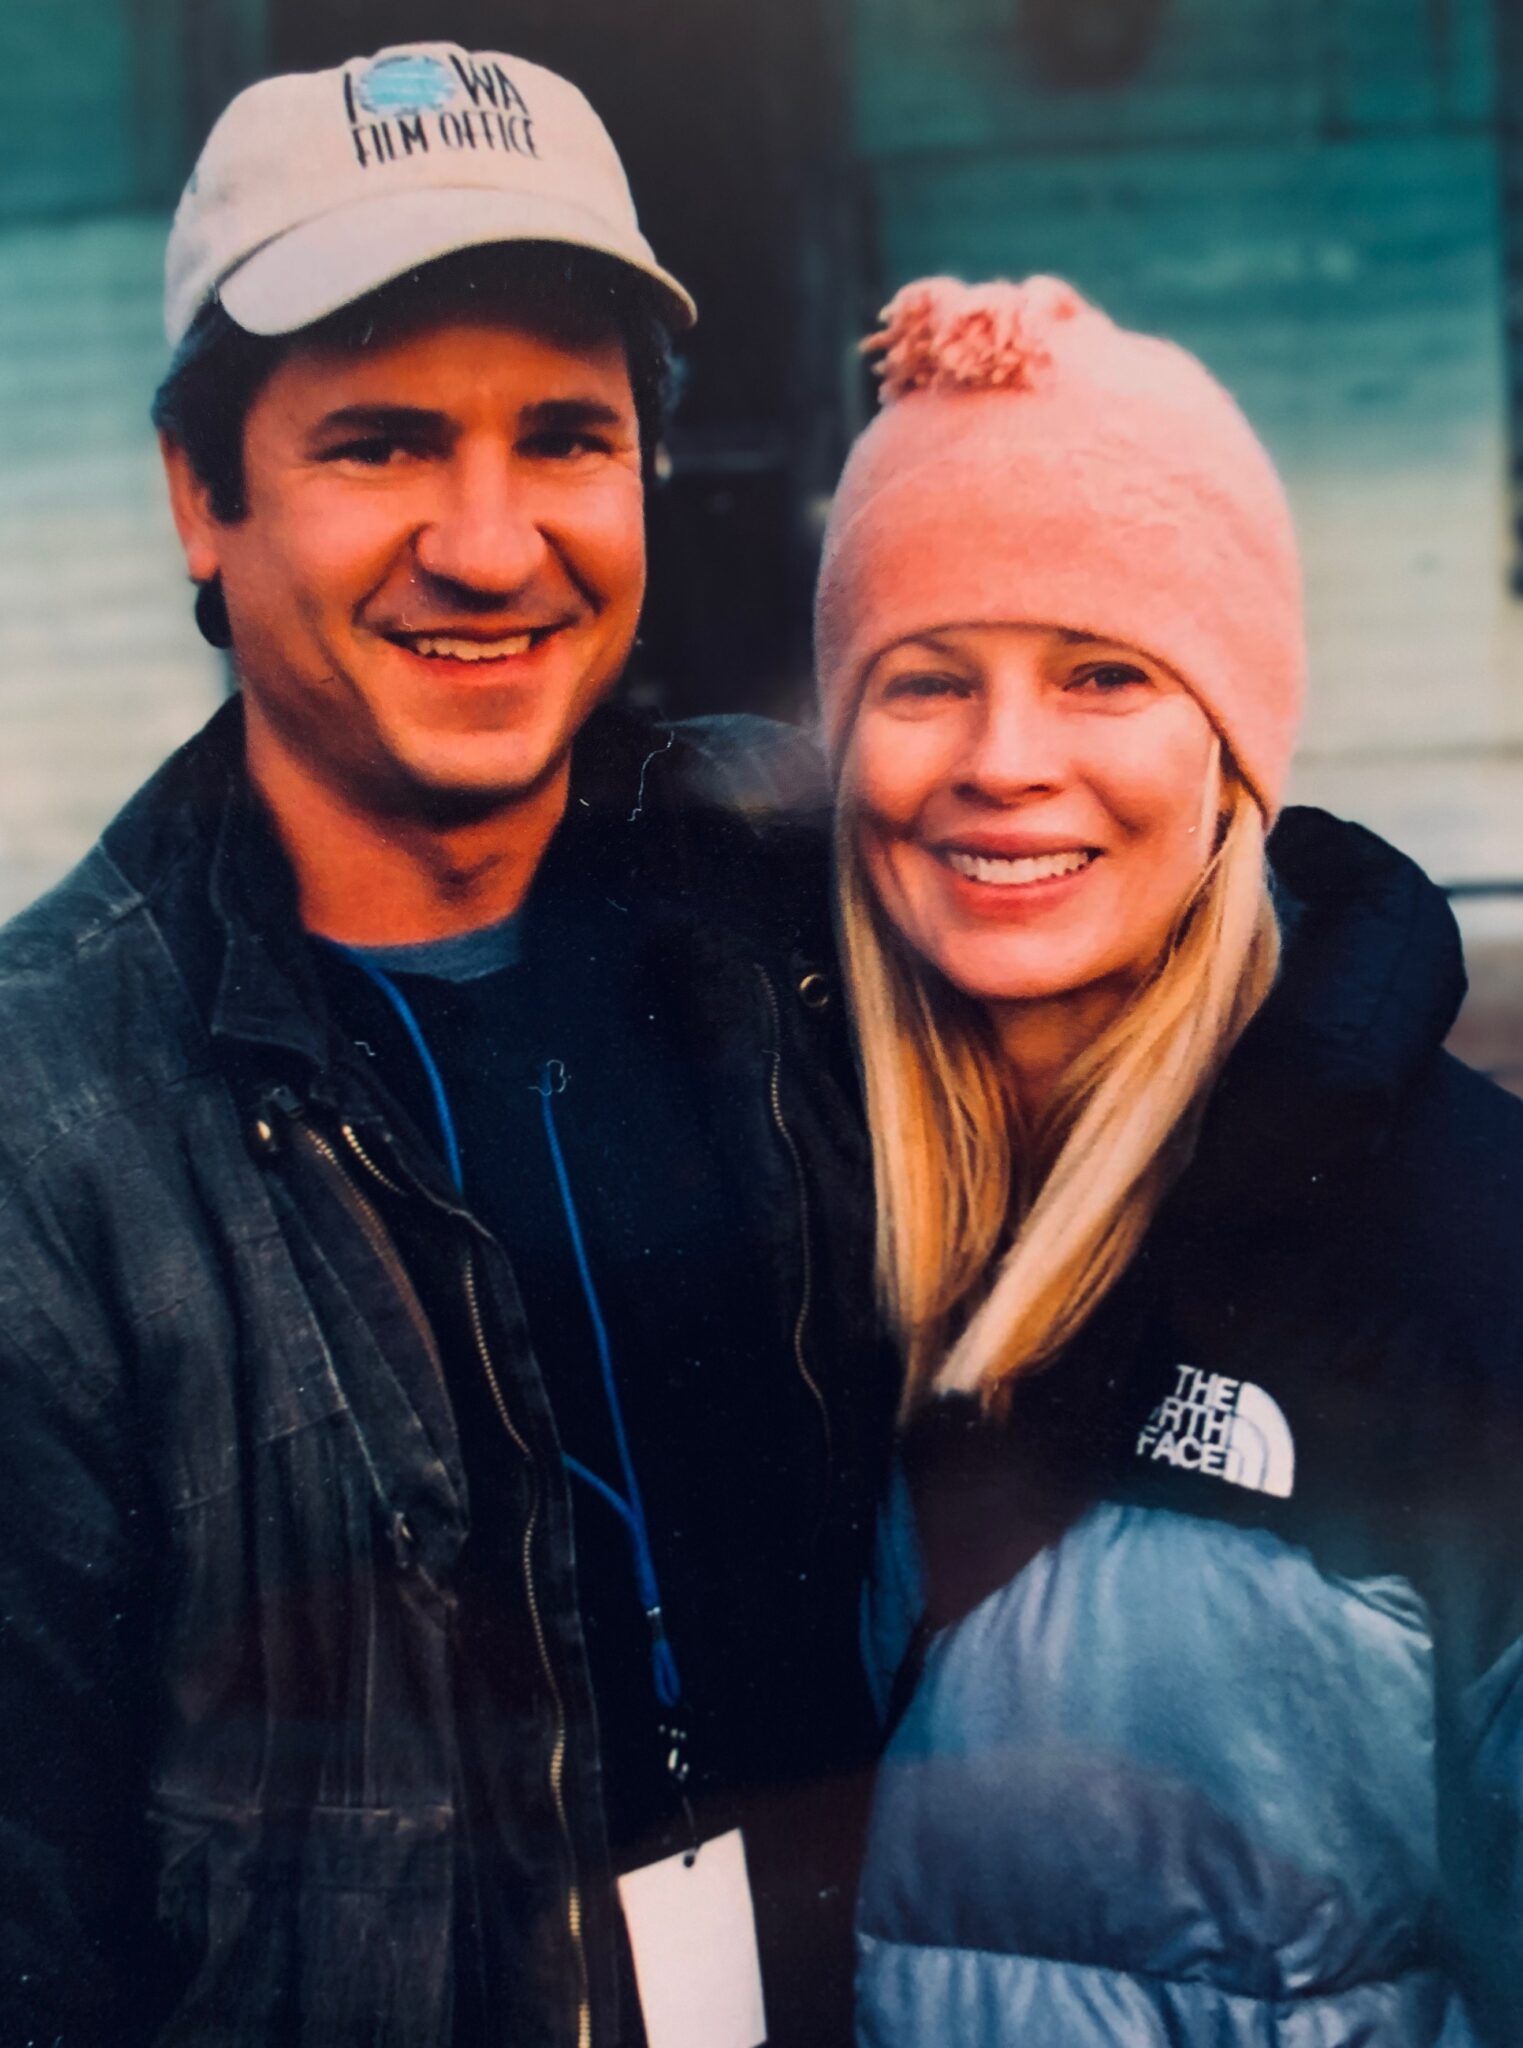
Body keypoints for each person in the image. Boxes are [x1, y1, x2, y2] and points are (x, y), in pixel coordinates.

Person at [0, 42, 887, 2048]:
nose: (491, 547)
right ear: (199, 499)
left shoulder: (791, 899)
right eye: (383, 444)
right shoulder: (43, 1130)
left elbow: (1156, 864)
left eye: (563, 438)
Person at [813, 275, 1523, 2045]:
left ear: (1230, 753)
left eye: (1103, 672)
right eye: (925, 681)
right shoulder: (767, 1193)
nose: (1004, 763)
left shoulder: (1464, 1249)